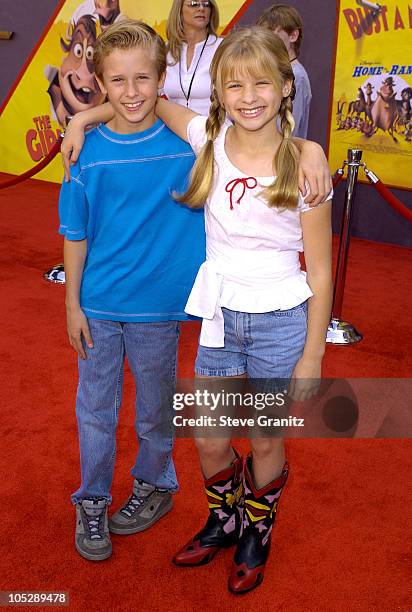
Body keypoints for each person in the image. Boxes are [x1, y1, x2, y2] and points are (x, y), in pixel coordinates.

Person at [154, 26, 332, 594]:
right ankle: (223, 518)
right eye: (234, 85)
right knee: (208, 437)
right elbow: (151, 98)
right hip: (219, 315)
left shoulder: (304, 165)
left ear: (285, 87)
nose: (248, 95)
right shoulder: (209, 138)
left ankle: (258, 528)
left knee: (262, 439)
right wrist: (81, 119)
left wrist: (313, 354)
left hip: (281, 321)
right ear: (219, 92)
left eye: (262, 82)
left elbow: (322, 270)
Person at [58, 19, 206, 561]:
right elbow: (74, 233)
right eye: (116, 81)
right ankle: (92, 498)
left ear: (162, 78)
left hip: (158, 309)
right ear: (99, 82)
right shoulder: (85, 152)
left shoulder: (187, 148)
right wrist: (72, 302)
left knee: (153, 407)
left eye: (143, 78)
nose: (132, 92)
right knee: (95, 407)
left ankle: (155, 484)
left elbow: (245, 137)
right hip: (96, 304)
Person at [257, 4, 312, 138]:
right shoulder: (272, 71)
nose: (265, 41)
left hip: (283, 154)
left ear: (293, 35)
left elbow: (289, 128)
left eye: (272, 34)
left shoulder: (297, 76)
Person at [163, 0, 223, 114]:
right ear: (179, 11)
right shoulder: (165, 50)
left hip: (213, 127)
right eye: (194, 4)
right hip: (171, 128)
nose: (201, 8)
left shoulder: (223, 47)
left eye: (206, 4)